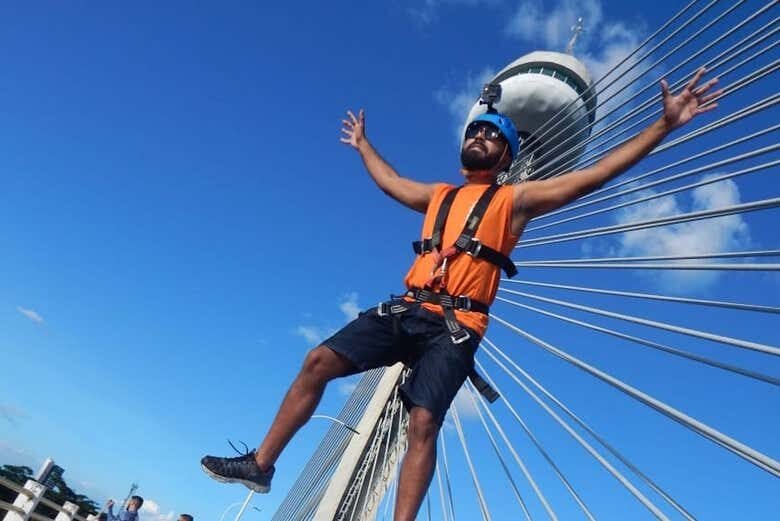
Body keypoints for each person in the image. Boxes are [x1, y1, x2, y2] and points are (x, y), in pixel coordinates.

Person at [201, 68, 720, 521]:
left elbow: (593, 177)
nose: (480, 137)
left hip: (456, 327)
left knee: (422, 421)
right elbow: (391, 182)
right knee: (317, 360)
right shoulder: (438, 195)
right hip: (406, 309)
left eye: (492, 136)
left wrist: (662, 126)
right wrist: (363, 146)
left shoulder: (517, 199)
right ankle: (261, 464)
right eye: (474, 130)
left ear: (505, 156)